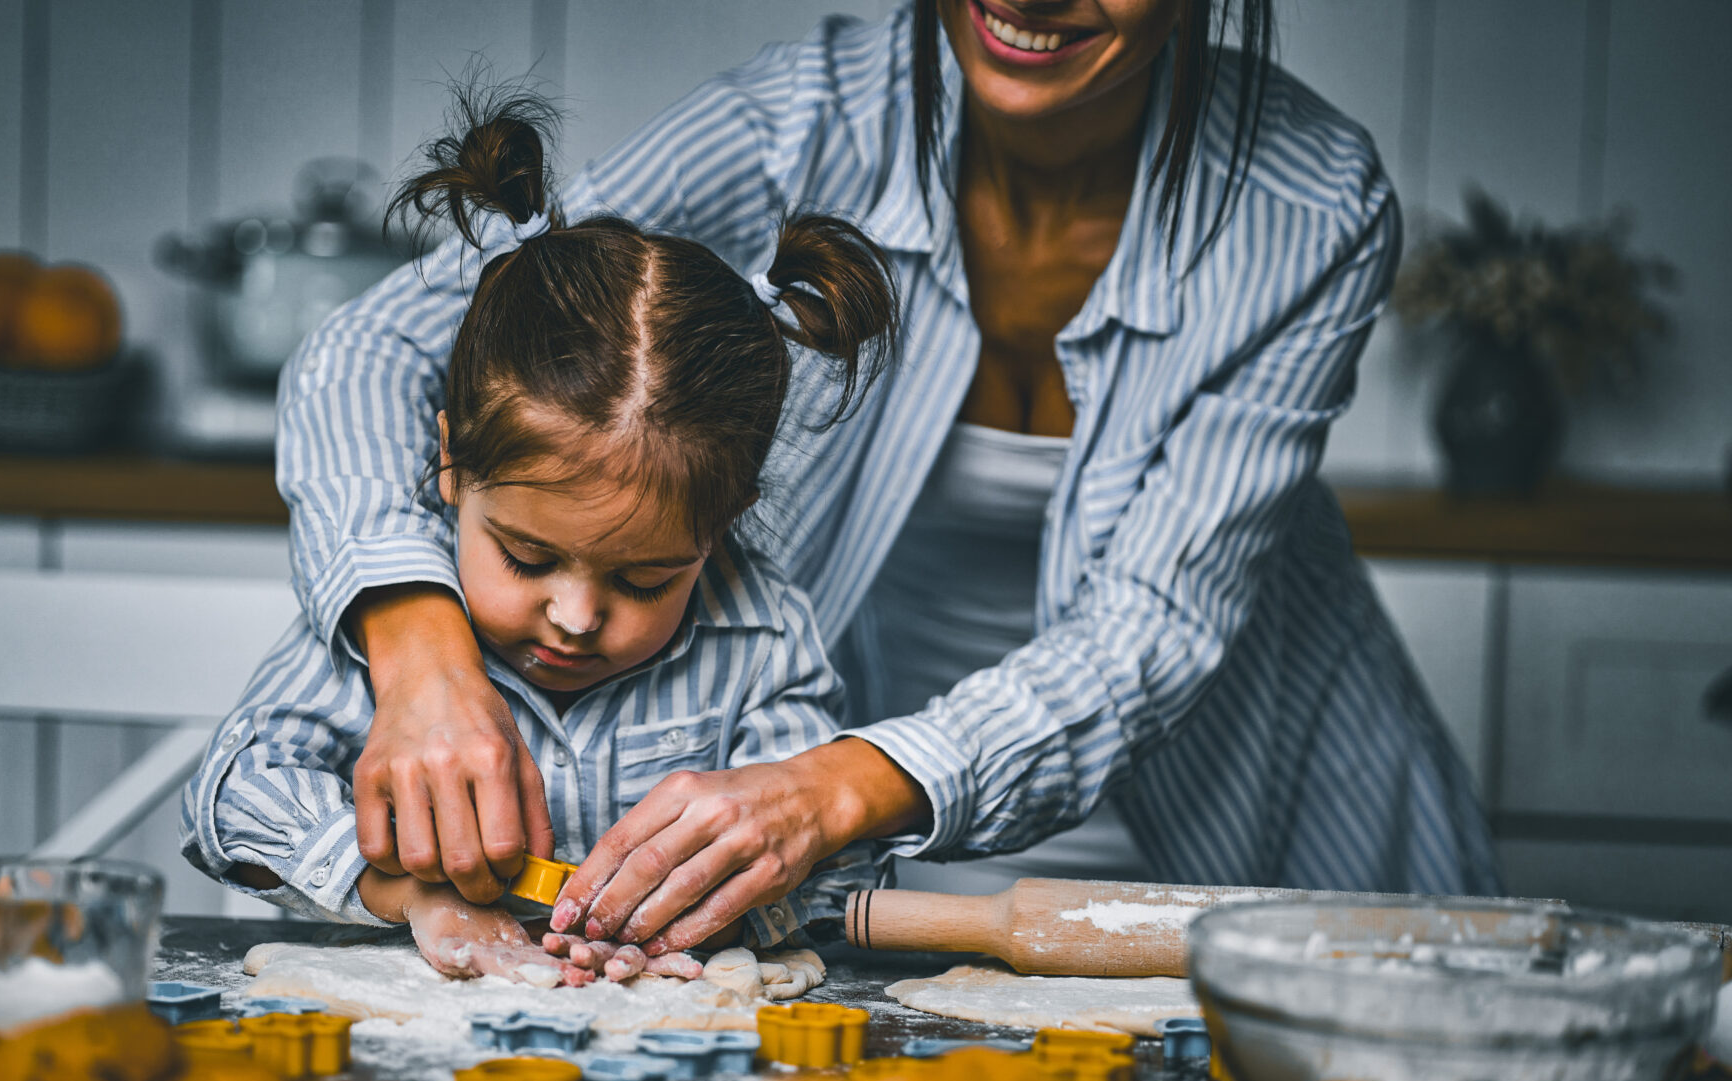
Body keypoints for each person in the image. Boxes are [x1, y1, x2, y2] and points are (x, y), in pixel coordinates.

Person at [277, 0, 1503, 966]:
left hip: (1235, 801)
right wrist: (423, 655)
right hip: (855, 839)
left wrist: (829, 787)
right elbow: (373, 347)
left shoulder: (1311, 204)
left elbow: (1149, 631)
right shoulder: (796, 123)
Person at [180, 91, 896, 983]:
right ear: (450, 466)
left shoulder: (765, 641)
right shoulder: (386, 631)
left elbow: (834, 866)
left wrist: (721, 908)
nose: (577, 615)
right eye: (526, 557)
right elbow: (229, 798)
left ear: (724, 521)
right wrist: (409, 894)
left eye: (643, 581)